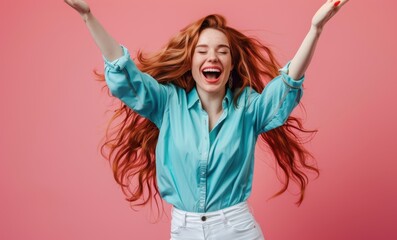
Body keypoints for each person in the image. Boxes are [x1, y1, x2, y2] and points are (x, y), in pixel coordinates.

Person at [65, 0, 349, 239]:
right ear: (191, 61)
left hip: (237, 229)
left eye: (222, 51)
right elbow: (126, 75)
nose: (212, 57)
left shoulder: (248, 108)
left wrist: (315, 28)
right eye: (202, 51)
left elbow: (286, 86)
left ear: (231, 64)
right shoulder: (167, 103)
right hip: (184, 230)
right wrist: (87, 16)